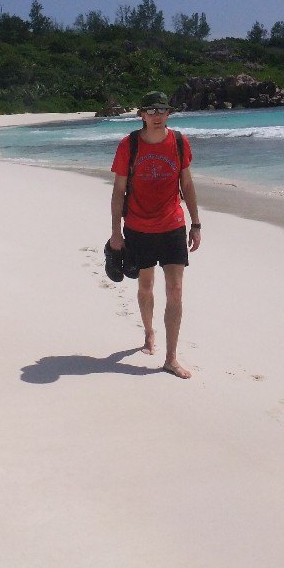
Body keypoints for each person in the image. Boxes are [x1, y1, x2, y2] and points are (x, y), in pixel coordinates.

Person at [109, 91, 201, 379]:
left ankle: (171, 358)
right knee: (145, 286)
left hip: (173, 224)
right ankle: (149, 332)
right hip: (138, 227)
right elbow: (118, 190)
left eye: (163, 109)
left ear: (168, 114)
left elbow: (187, 182)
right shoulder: (129, 145)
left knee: (175, 289)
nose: (158, 115)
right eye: (151, 110)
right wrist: (115, 233)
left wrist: (196, 223)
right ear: (142, 115)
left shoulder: (179, 142)